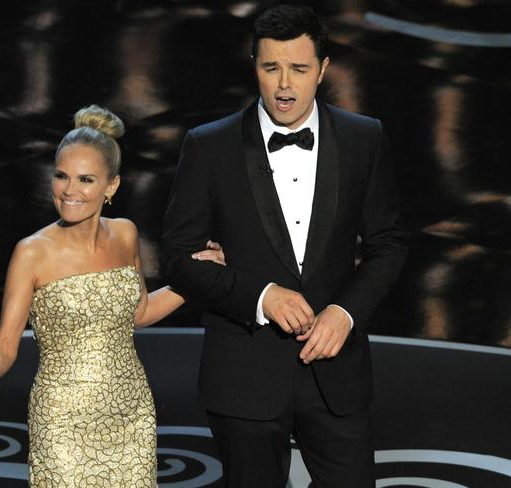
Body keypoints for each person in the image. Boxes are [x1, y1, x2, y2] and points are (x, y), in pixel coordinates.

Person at [160, 4, 408, 488]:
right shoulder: (210, 146)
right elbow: (176, 260)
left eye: (298, 68)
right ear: (254, 66)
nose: (284, 85)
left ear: (323, 69)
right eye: (271, 68)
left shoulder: (364, 139)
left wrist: (345, 312)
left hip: (335, 371)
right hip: (244, 375)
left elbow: (389, 243)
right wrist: (259, 296)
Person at [0, 105, 225, 487]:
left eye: (86, 180)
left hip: (130, 414)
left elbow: (139, 313)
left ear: (112, 186)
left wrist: (196, 277)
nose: (70, 191)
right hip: (61, 423)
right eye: (61, 176)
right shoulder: (32, 252)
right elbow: (6, 346)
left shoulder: (125, 233)